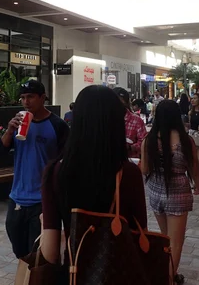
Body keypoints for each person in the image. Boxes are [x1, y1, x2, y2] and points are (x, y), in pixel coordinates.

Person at [41, 85, 147, 272]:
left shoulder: (56, 171)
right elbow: (141, 235)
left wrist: (44, 223)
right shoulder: (129, 173)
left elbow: (50, 253)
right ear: (115, 123)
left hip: (74, 272)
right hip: (120, 274)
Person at [0, 80, 69, 259]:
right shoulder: (18, 123)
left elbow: (66, 160)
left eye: (30, 97)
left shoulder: (57, 125)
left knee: (38, 253)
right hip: (17, 197)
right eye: (22, 98)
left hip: (43, 200)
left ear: (43, 98)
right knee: (19, 249)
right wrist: (9, 130)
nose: (26, 102)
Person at [141, 99, 199, 285]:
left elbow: (144, 169)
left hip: (155, 191)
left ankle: (169, 273)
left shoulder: (148, 140)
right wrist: (197, 185)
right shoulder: (185, 140)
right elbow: (193, 166)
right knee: (175, 243)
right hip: (178, 193)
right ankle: (168, 279)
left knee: (165, 238)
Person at [113, 87, 147, 158]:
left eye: (120, 101)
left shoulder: (136, 120)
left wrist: (130, 147)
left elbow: (144, 142)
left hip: (131, 161)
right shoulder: (105, 120)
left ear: (126, 103)